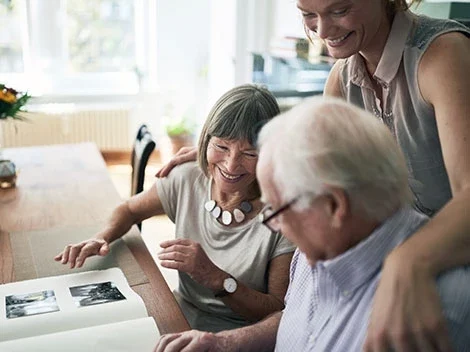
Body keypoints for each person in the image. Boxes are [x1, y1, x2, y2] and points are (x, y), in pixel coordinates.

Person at [155, 1, 470, 349]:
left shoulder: (443, 56)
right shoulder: (343, 74)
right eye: (308, 14)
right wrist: (217, 152)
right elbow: (317, 156)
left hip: (443, 262)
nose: (321, 30)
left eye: (339, 10)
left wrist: (408, 262)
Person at [55, 84, 295, 332]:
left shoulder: (283, 214)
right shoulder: (187, 177)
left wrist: (215, 278)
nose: (231, 165)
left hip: (240, 337)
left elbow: (276, 309)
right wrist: (101, 237)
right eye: (222, 147)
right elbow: (129, 210)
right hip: (179, 315)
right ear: (206, 140)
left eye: (249, 153)